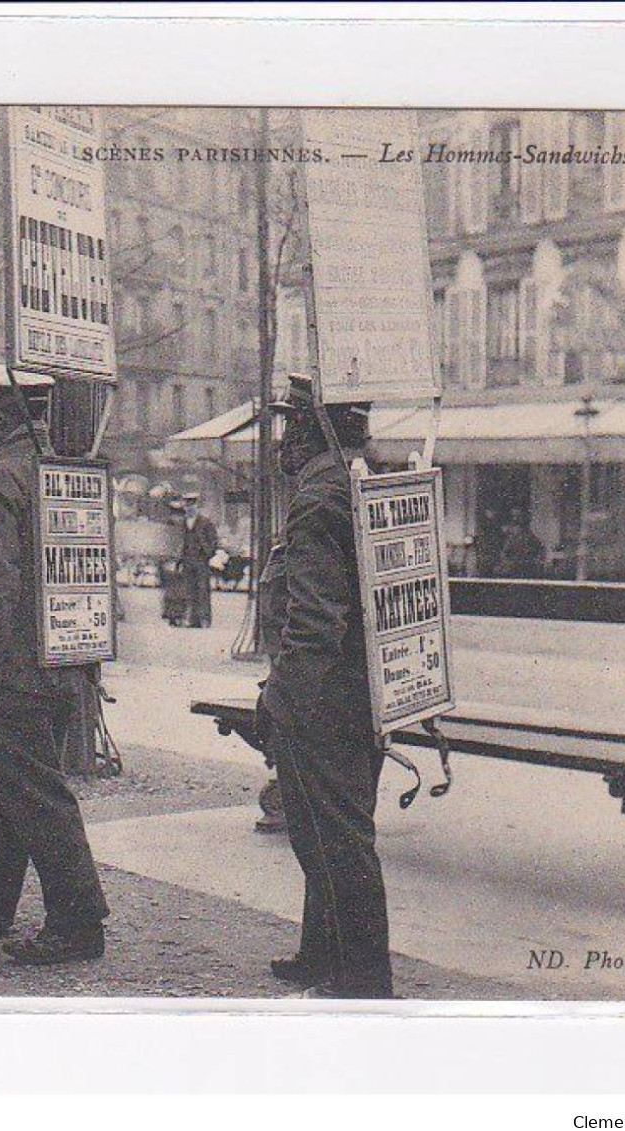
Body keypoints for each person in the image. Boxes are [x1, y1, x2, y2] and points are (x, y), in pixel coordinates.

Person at [0, 364, 109, 966]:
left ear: (2, 415)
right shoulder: (66, 473)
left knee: (33, 789)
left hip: (12, 667)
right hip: (63, 657)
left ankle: (79, 920)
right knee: (11, 779)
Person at [255, 374, 393, 999]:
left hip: (326, 697)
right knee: (335, 829)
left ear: (314, 430)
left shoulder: (318, 499)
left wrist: (279, 699)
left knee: (332, 841)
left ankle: (362, 982)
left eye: (292, 425)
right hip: (371, 687)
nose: (282, 439)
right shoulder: (365, 482)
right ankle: (321, 954)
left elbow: (314, 622)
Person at [179, 492, 219, 628]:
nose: (189, 507)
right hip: (187, 561)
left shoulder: (205, 522)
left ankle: (205, 620)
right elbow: (180, 541)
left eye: (192, 504)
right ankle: (192, 619)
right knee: (189, 590)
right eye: (186, 504)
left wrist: (207, 553)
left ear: (196, 505)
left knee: (203, 590)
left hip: (201, 561)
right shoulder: (183, 522)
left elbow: (214, 541)